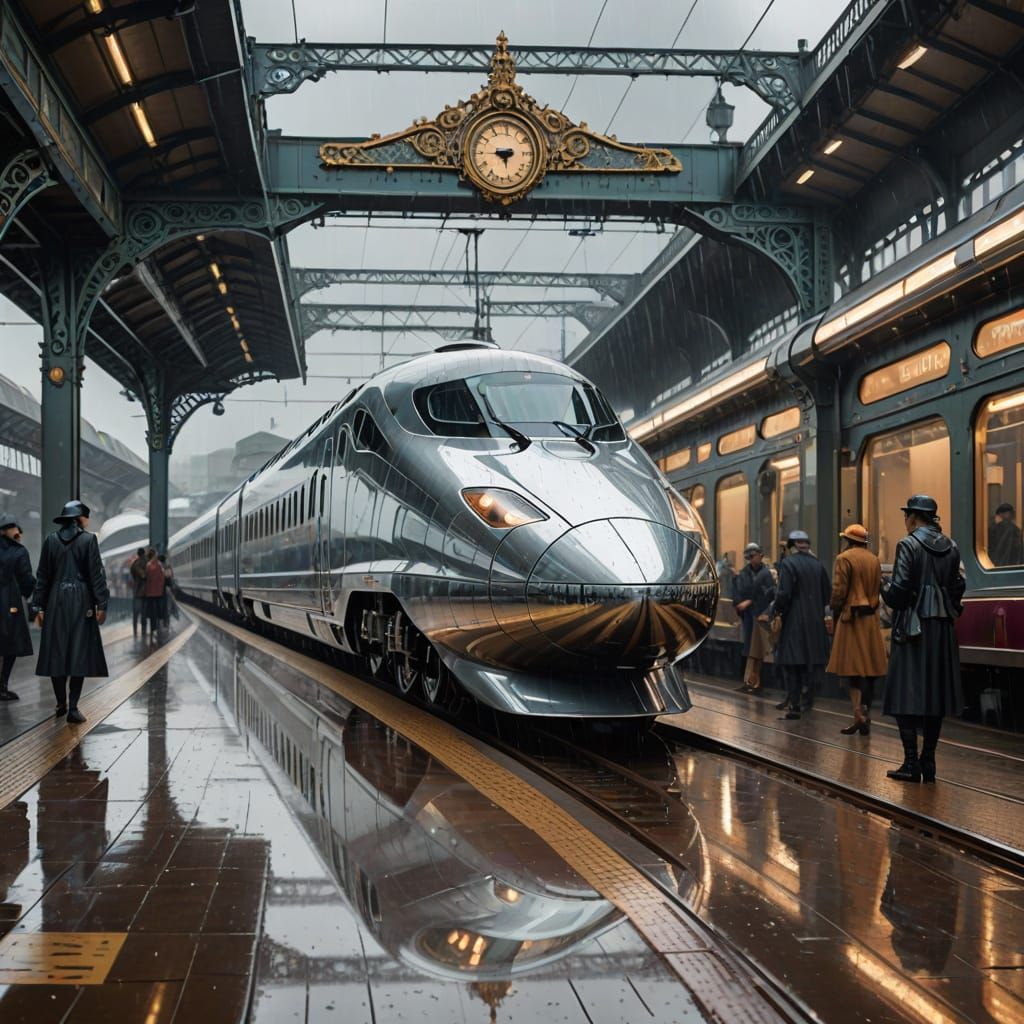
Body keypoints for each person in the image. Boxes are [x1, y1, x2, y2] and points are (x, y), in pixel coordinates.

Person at [882, 495, 965, 783]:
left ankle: (910, 763)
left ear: (913, 517)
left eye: (906, 516)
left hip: (913, 627)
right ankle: (928, 761)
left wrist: (886, 591)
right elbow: (958, 586)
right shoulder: (952, 546)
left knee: (906, 692)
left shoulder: (908, 544)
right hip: (941, 628)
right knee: (935, 695)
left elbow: (901, 588)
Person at [31, 500, 109, 724]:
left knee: (57, 652)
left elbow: (43, 576)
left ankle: (60, 703)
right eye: (87, 516)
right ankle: (74, 707)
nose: (88, 521)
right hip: (81, 601)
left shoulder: (50, 541)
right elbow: (96, 575)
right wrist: (101, 604)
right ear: (79, 518)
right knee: (78, 653)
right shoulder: (89, 539)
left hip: (55, 601)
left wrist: (39, 607)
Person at [826, 524, 887, 735]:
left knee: (851, 671)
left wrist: (832, 608)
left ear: (848, 540)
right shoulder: (874, 560)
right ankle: (865, 713)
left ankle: (857, 712)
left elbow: (839, 590)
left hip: (851, 620)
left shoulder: (844, 558)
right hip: (870, 621)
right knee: (869, 670)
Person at [772, 529, 831, 720]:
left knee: (792, 664)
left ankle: (795, 705)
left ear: (792, 546)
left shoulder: (788, 563)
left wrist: (777, 610)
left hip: (794, 622)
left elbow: (784, 593)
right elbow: (827, 594)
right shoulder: (818, 565)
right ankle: (808, 699)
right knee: (811, 663)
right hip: (815, 621)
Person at [0, 515, 36, 701]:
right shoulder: (19, 551)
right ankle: (2, 685)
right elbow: (27, 579)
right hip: (10, 603)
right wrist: (27, 594)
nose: (18, 532)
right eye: (15, 528)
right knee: (11, 645)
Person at [733, 542, 775, 693]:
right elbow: (738, 592)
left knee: (758, 649)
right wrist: (740, 604)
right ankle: (750, 681)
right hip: (749, 616)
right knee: (749, 647)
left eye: (754, 555)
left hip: (760, 615)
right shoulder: (744, 574)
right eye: (750, 556)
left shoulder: (766, 574)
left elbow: (769, 595)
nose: (752, 559)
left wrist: (751, 601)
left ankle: (756, 681)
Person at [988, 502, 1023, 567]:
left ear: (1000, 515)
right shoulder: (1016, 530)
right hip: (1013, 566)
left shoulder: (992, 529)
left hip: (995, 566)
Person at [143, 547, 165, 638]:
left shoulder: (148, 566)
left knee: (152, 612)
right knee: (159, 610)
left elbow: (146, 579)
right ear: (154, 555)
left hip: (150, 593)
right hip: (158, 592)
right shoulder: (159, 565)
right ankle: (159, 626)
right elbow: (162, 578)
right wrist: (160, 587)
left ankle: (153, 629)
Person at [129, 547, 147, 637]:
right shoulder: (147, 562)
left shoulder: (135, 563)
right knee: (144, 613)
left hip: (137, 591)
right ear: (144, 553)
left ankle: (135, 631)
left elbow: (132, 574)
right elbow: (146, 576)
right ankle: (144, 631)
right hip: (146, 592)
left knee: (136, 613)